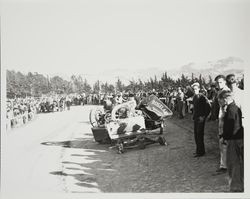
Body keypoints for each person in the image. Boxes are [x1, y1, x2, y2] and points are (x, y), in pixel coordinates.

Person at [218, 90, 244, 192]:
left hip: (233, 140)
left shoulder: (231, 109)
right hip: (238, 138)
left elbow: (230, 127)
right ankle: (239, 184)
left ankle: (236, 186)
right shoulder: (235, 108)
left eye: (222, 100)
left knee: (233, 163)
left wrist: (224, 137)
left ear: (225, 99)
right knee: (237, 162)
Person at [215, 75, 231, 173]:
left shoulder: (227, 92)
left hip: (226, 119)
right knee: (222, 142)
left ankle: (225, 165)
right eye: (217, 82)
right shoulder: (220, 92)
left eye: (220, 82)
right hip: (221, 118)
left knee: (225, 142)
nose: (219, 84)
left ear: (225, 82)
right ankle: (223, 164)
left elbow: (228, 108)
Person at [191, 82, 211, 157]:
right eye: (193, 89)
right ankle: (198, 150)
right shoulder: (195, 97)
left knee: (199, 135)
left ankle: (201, 152)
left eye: (196, 89)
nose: (194, 90)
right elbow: (195, 108)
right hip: (196, 118)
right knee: (196, 134)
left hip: (201, 118)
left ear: (199, 89)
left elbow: (208, 107)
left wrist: (204, 116)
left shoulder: (202, 97)